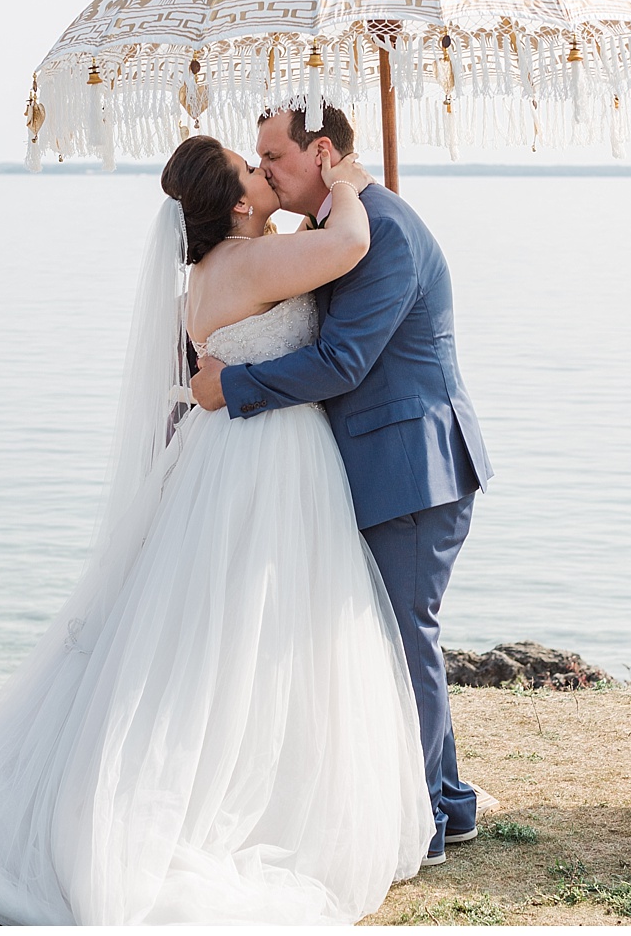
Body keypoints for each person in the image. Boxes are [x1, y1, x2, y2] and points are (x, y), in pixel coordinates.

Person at [0, 137, 435, 924]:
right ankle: (253, 796)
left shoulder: (222, 267)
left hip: (228, 453)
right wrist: (345, 178)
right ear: (236, 202)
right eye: (252, 167)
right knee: (258, 631)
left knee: (222, 632)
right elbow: (352, 243)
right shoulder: (248, 263)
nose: (266, 172)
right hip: (268, 456)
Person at [191, 104, 494, 864]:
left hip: (413, 469)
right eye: (257, 161)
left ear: (322, 153)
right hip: (363, 468)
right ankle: (448, 801)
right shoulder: (318, 234)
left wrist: (237, 384)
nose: (263, 171)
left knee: (401, 637)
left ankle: (424, 814)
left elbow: (343, 362)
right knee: (384, 639)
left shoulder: (382, 230)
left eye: (274, 157)